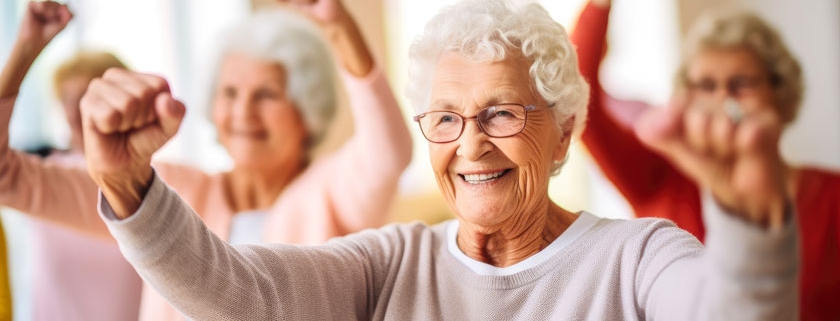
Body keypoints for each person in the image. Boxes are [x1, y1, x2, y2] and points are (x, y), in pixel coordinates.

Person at [82, 0, 798, 319]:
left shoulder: (637, 256)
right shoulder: (389, 264)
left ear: (565, 129)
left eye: (503, 112)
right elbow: (236, 290)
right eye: (447, 118)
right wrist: (129, 187)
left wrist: (749, 231)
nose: (471, 142)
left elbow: (727, 311)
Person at [0, 0, 412, 320]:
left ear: (308, 108)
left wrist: (339, 29)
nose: (242, 112)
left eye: (266, 94)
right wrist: (23, 51)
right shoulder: (165, 189)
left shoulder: (332, 189)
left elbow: (388, 149)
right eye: (230, 93)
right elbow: (7, 178)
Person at [570, 1, 840, 319]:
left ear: (779, 94)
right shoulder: (656, 177)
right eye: (706, 86)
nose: (722, 100)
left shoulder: (833, 197)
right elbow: (578, 94)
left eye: (741, 84)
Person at [0, 4, 143, 321]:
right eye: (67, 99)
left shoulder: (151, 179)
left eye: (88, 97)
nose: (75, 111)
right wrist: (25, 50)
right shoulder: (45, 168)